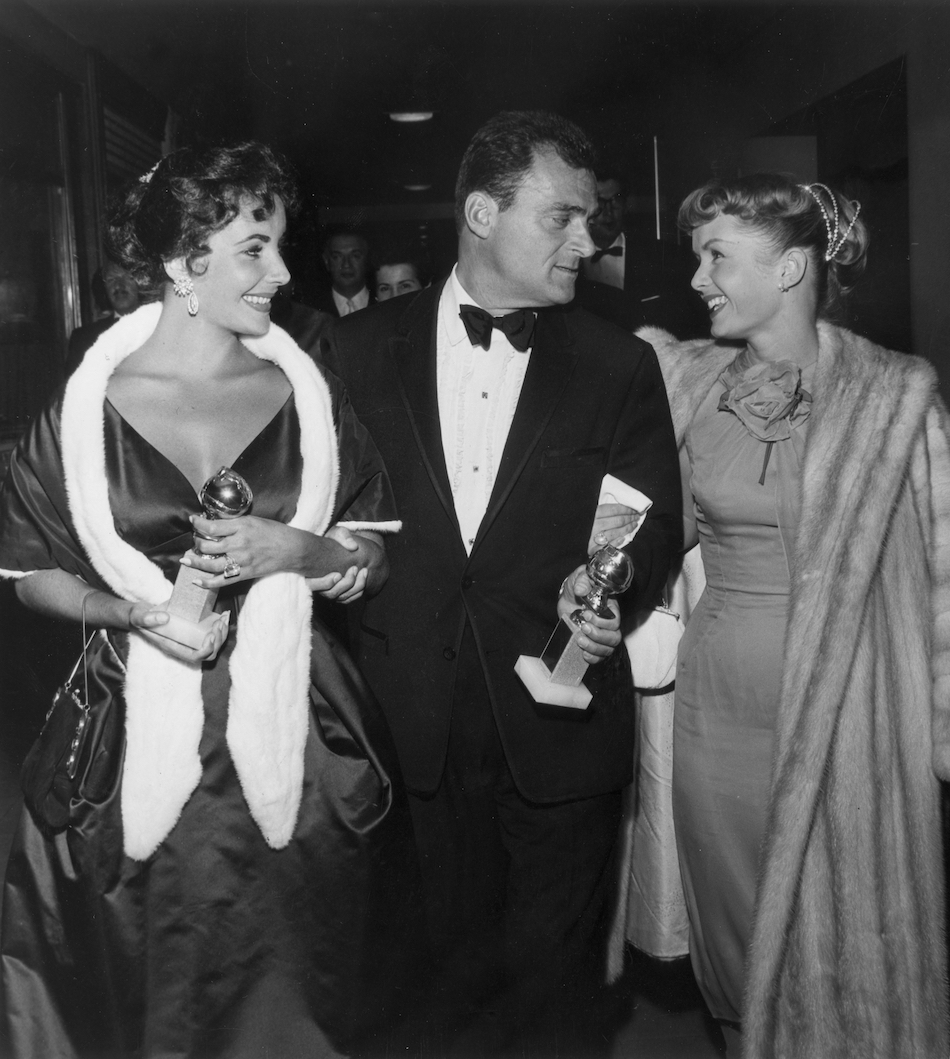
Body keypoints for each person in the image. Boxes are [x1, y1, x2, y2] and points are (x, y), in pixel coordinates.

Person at [0, 142, 422, 1058]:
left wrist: (298, 549)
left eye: (278, 247)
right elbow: (27, 573)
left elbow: (375, 559)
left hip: (300, 738)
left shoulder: (309, 396)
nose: (281, 271)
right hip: (130, 737)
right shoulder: (83, 407)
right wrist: (128, 615)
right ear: (183, 262)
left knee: (298, 990)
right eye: (254, 248)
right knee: (144, 988)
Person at [323, 110, 681, 1056]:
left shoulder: (620, 365)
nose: (588, 237)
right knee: (416, 998)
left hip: (558, 736)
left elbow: (649, 526)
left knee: (554, 1008)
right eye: (561, 216)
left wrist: (606, 588)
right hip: (405, 732)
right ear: (482, 213)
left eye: (592, 218)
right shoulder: (351, 355)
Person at [631, 173, 950, 1057]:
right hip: (716, 708)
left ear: (792, 268)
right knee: (738, 948)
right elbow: (653, 539)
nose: (697, 278)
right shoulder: (688, 386)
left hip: (853, 712)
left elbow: (944, 582)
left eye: (717, 257)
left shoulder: (896, 402)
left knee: (853, 950)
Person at [574, 166, 706, 337]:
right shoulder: (570, 259)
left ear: (626, 205)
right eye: (600, 202)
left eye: (616, 199)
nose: (609, 211)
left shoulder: (664, 256)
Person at [65, 258, 141, 375]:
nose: (119, 285)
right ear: (105, 288)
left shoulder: (160, 327)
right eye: (111, 279)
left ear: (141, 283)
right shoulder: (83, 339)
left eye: (127, 277)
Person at [312, 230, 373, 317]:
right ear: (326, 261)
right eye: (337, 257)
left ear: (366, 259)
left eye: (355, 256)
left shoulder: (383, 302)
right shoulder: (312, 311)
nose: (346, 265)